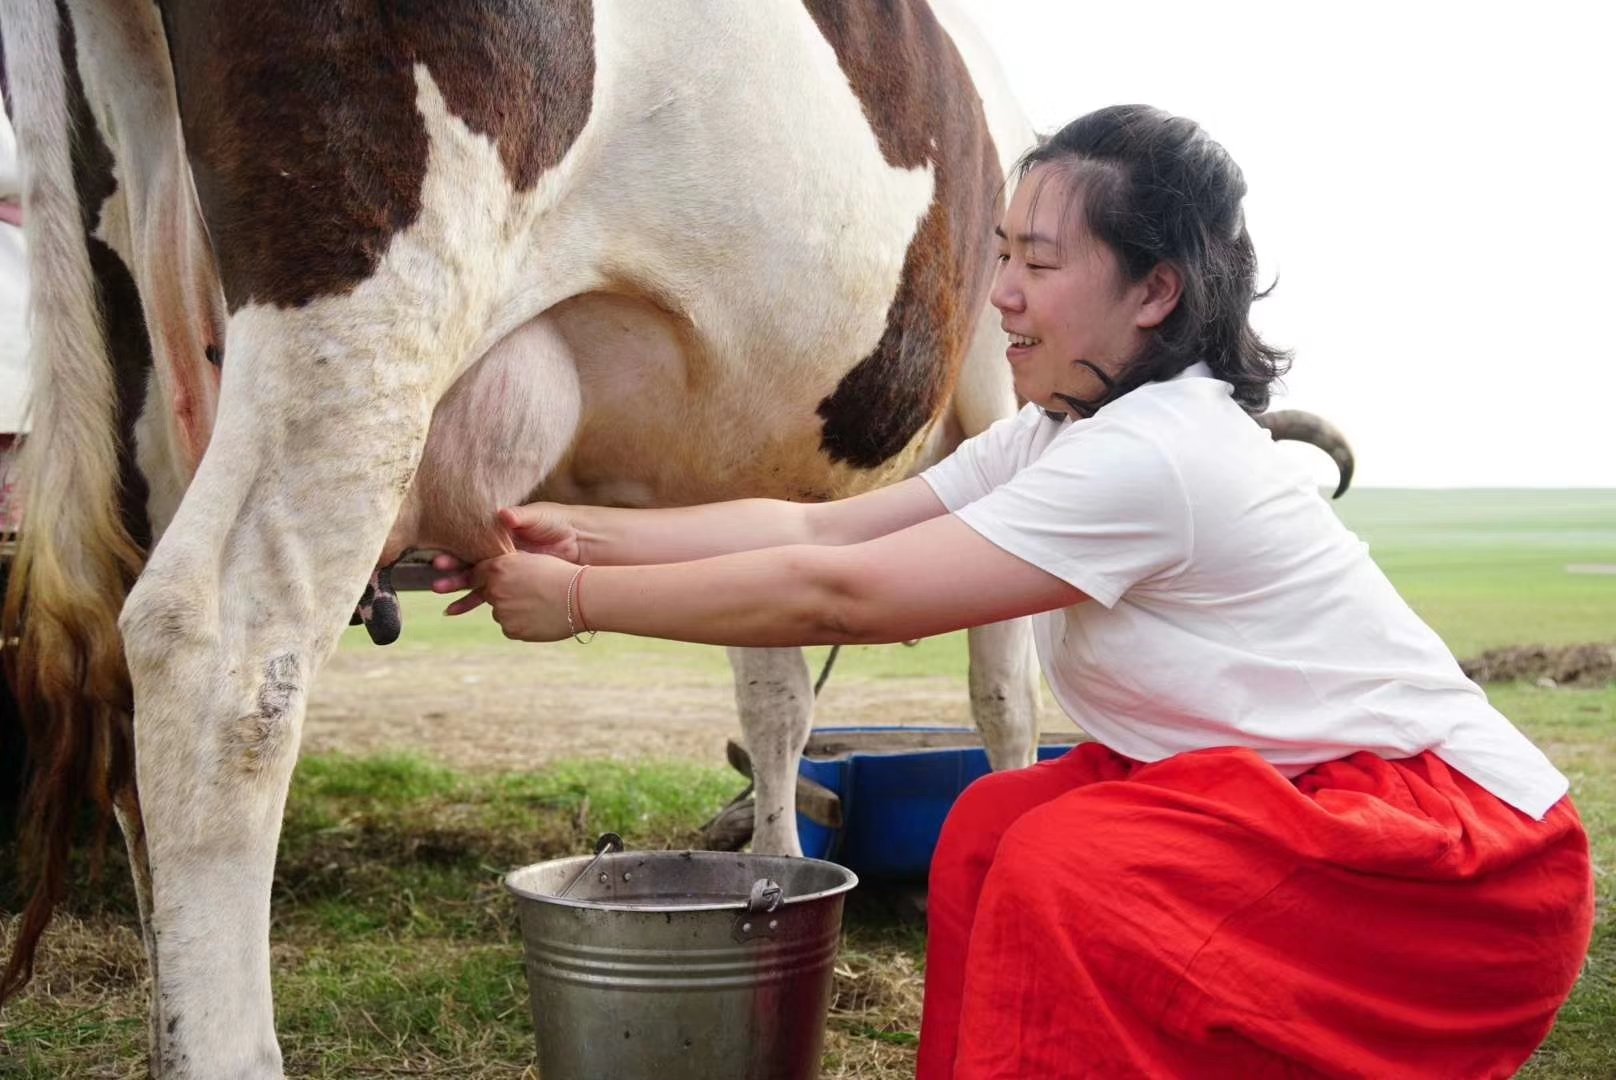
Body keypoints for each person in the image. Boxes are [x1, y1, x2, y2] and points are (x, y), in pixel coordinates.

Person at [433, 105, 1593, 1078]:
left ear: (1153, 292)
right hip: (1312, 806)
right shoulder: (1061, 434)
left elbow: (845, 595)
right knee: (996, 822)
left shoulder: (1153, 456)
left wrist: (577, 604)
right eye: (1000, 253)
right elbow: (818, 525)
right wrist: (582, 535)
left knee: (1063, 864)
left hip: (1457, 868)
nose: (999, 293)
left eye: (1038, 263)